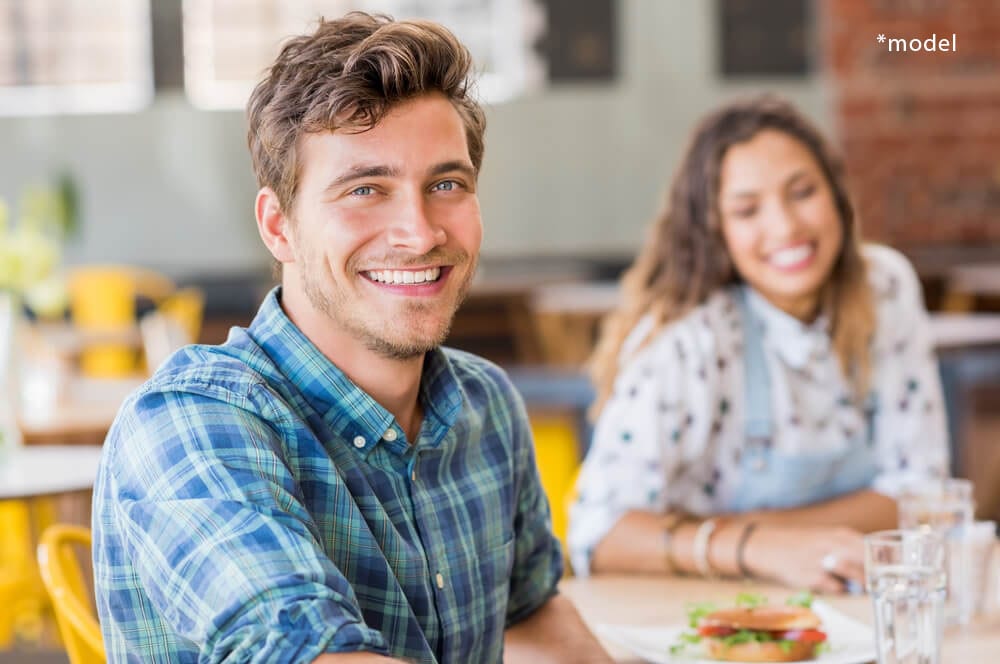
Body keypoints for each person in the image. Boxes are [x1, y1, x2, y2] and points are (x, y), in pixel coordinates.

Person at [92, 13, 611, 663]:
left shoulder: (488, 405)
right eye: (366, 189)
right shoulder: (191, 422)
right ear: (279, 226)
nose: (419, 233)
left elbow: (529, 617)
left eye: (446, 184)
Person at [568, 95, 949, 593]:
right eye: (747, 210)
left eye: (803, 192)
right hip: (704, 614)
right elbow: (597, 534)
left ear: (836, 194)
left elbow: (926, 498)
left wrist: (766, 531)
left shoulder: (885, 288)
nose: (786, 226)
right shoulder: (690, 340)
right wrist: (760, 549)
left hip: (855, 605)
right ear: (715, 231)